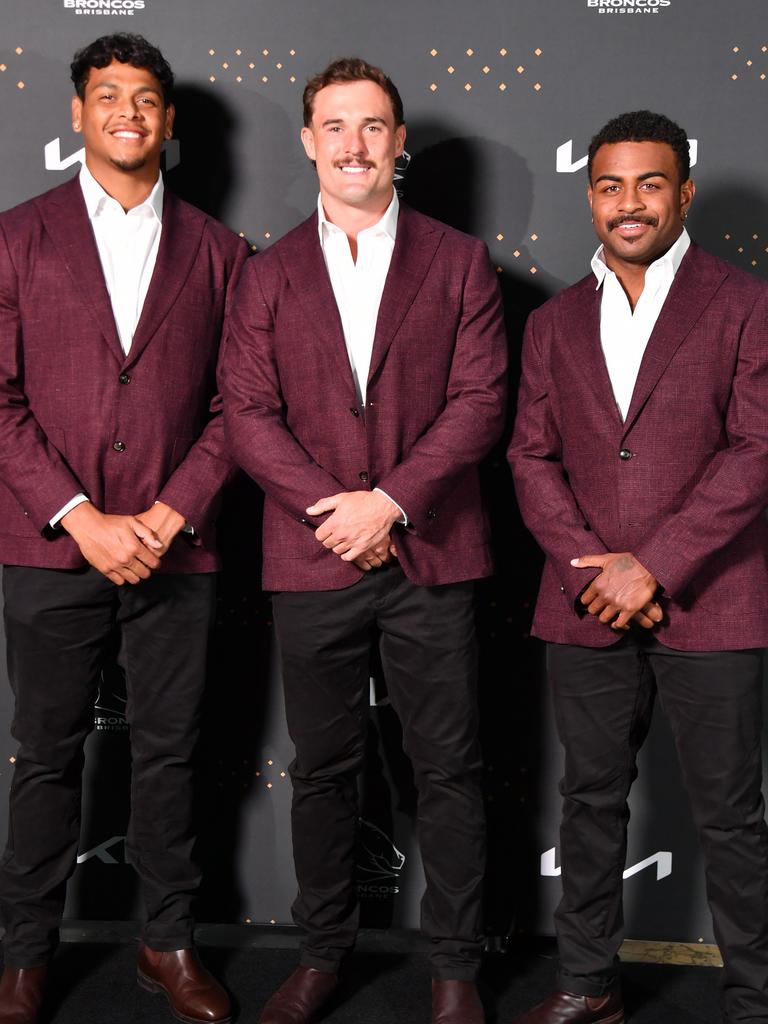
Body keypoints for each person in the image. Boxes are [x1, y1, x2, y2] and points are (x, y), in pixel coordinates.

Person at [222, 56, 507, 1024]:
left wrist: (388, 501)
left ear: (399, 144)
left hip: (434, 550)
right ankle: (320, 951)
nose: (354, 143)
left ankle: (457, 965)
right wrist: (336, 511)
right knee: (324, 768)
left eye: (373, 125)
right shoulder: (264, 274)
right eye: (335, 126)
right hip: (311, 559)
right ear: (308, 141)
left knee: (451, 768)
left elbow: (480, 401)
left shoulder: (460, 260)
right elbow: (249, 416)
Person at [0, 33, 247, 1024]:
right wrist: (79, 517)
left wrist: (168, 511)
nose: (128, 112)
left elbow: (240, 405)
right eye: (108, 95)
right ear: (78, 114)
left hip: (177, 542)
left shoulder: (221, 251)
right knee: (47, 751)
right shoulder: (16, 238)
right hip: (51, 542)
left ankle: (168, 939)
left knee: (172, 750)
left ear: (170, 121)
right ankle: (22, 953)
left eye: (146, 98)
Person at [508, 110, 768, 1024]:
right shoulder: (551, 322)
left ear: (684, 191)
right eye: (611, 186)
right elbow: (529, 459)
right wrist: (593, 572)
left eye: (650, 184)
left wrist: (651, 566)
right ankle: (587, 986)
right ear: (590, 196)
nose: (630, 204)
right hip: (585, 605)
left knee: (731, 818)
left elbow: (755, 451)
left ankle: (754, 999)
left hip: (715, 599)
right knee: (588, 805)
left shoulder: (743, 303)